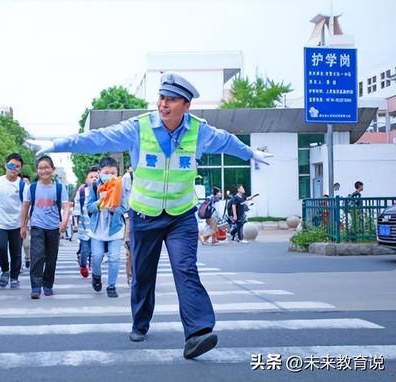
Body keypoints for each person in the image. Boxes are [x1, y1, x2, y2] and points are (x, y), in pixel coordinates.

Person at [30, 72, 272, 359]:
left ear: (186, 105)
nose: (163, 104)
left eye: (171, 100)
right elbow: (98, 138)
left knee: (186, 269)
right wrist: (58, 145)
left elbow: (228, 141)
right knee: (144, 274)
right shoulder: (139, 127)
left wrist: (250, 154)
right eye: (161, 98)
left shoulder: (199, 131)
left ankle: (198, 332)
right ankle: (140, 322)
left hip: (181, 215)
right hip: (145, 215)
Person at [20, 155, 70, 299]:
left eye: (47, 167)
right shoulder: (32, 188)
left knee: (51, 257)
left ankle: (48, 284)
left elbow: (66, 206)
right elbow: (25, 207)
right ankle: (35, 286)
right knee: (37, 255)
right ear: (37, 170)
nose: (44, 171)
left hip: (54, 227)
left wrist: (65, 221)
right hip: (37, 225)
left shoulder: (60, 188)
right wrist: (22, 226)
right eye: (41, 168)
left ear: (52, 169)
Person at [0, 153, 26, 289]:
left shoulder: (22, 185)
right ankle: (5, 270)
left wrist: (25, 224)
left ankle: (14, 277)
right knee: (0, 247)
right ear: (5, 165)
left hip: (17, 224)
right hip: (0, 223)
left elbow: (26, 205)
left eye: (17, 167)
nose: (14, 169)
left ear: (20, 169)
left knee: (16, 252)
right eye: (11, 165)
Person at [86, 156, 128, 298]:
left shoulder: (120, 186)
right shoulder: (94, 186)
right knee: (96, 256)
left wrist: (114, 209)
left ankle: (111, 286)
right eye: (106, 172)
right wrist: (100, 201)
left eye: (113, 173)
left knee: (114, 258)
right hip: (97, 229)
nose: (109, 176)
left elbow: (125, 207)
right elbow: (89, 208)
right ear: (100, 172)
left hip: (115, 228)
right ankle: (96, 276)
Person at [73, 165, 99, 278]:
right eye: (91, 176)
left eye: (96, 177)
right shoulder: (82, 191)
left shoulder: (102, 190)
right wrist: (75, 224)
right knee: (85, 250)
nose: (94, 179)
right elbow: (77, 208)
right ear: (86, 179)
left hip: (98, 227)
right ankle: (83, 264)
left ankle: (95, 272)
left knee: (96, 252)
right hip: (84, 227)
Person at [121, 165, 134, 285]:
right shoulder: (127, 177)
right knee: (129, 247)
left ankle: (133, 274)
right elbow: (124, 197)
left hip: (142, 214)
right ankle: (129, 274)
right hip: (129, 214)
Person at [21, 174, 32, 269]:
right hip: (17, 222)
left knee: (26, 243)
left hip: (29, 222)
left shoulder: (32, 193)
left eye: (27, 181)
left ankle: (28, 257)